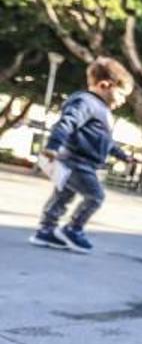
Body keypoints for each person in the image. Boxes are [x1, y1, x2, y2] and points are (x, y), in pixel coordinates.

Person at [29, 57, 135, 253]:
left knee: (63, 196)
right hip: (76, 161)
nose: (123, 101)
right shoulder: (86, 103)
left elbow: (105, 141)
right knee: (96, 197)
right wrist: (52, 146)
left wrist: (122, 155)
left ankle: (46, 230)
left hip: (78, 161)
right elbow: (66, 123)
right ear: (105, 85)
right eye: (121, 94)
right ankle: (73, 229)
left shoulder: (101, 110)